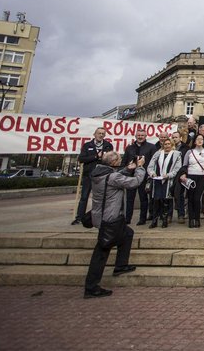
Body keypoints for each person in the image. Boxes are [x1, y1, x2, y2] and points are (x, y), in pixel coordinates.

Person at [83, 151, 146, 298]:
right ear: (113, 163)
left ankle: (121, 265)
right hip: (111, 218)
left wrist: (127, 169)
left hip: (102, 216)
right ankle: (91, 287)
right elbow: (134, 182)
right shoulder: (112, 176)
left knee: (128, 234)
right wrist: (139, 168)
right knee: (101, 252)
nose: (121, 160)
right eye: (119, 159)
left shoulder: (98, 173)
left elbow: (114, 177)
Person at [73, 128, 114, 225]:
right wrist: (96, 156)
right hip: (89, 175)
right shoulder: (87, 145)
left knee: (102, 197)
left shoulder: (108, 146)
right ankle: (79, 217)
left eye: (103, 134)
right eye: (99, 133)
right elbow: (81, 158)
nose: (101, 135)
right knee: (84, 197)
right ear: (94, 134)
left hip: (102, 176)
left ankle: (103, 217)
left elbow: (110, 160)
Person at [146, 136, 182, 229]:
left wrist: (169, 175)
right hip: (157, 180)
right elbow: (150, 166)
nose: (167, 146)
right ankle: (155, 220)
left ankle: (165, 220)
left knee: (166, 200)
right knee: (156, 200)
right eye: (165, 144)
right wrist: (152, 173)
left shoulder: (176, 154)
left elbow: (177, 168)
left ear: (172, 144)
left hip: (168, 181)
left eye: (168, 144)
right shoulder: (157, 154)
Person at [123, 129, 157, 225]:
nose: (140, 137)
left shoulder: (151, 147)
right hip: (131, 176)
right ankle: (127, 218)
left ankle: (142, 219)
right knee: (129, 199)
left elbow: (154, 163)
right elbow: (124, 161)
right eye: (138, 135)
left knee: (143, 198)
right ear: (135, 136)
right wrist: (127, 167)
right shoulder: (129, 148)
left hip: (144, 177)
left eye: (142, 135)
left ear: (145, 136)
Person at [180, 134, 204, 228]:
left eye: (201, 139)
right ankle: (191, 219)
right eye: (198, 139)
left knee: (197, 198)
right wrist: (183, 174)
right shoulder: (189, 152)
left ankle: (197, 218)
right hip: (191, 176)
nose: (200, 140)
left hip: (202, 177)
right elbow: (184, 165)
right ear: (194, 141)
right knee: (190, 197)